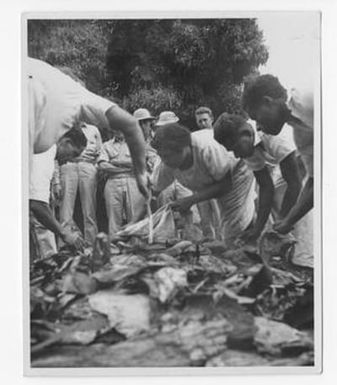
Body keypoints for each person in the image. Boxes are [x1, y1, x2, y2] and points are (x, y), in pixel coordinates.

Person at [27, 57, 150, 198]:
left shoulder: (38, 68)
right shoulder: (75, 92)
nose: (67, 160)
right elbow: (130, 124)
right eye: (71, 154)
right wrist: (141, 174)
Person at [151, 123, 256, 245]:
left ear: (184, 148)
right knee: (216, 226)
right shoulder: (166, 161)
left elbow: (225, 185)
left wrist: (190, 200)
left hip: (234, 173)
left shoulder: (207, 149)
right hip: (210, 178)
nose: (165, 160)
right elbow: (153, 190)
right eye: (161, 156)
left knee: (234, 227)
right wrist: (138, 222)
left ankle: (246, 249)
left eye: (167, 156)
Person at [213, 113, 302, 243]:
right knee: (277, 203)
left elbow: (295, 182)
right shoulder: (247, 146)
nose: (237, 155)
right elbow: (266, 187)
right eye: (232, 151)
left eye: (236, 148)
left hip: (312, 160)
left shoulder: (274, 136)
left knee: (300, 221)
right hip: (292, 167)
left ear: (246, 133)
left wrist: (283, 221)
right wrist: (257, 229)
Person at [242, 75, 314, 234]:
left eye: (257, 118)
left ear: (267, 102)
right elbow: (314, 182)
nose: (258, 128)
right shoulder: (301, 135)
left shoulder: (308, 97)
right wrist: (287, 221)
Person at [30, 128, 88, 253]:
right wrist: (64, 234)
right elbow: (37, 204)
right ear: (66, 142)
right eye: (74, 154)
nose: (70, 160)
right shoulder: (45, 153)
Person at [97, 130, 148, 240]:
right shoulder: (106, 145)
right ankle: (115, 248)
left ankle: (135, 247)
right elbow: (103, 165)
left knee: (134, 216)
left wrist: (115, 162)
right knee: (113, 218)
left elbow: (139, 163)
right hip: (113, 181)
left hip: (133, 181)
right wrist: (126, 167)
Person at [59, 121, 102, 245]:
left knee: (89, 209)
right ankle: (65, 246)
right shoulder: (65, 127)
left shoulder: (93, 129)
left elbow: (100, 153)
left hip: (87, 166)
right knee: (66, 209)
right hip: (68, 165)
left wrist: (94, 164)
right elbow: (57, 152)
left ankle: (92, 244)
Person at [194, 107, 222, 240]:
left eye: (205, 120)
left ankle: (223, 244)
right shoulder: (196, 138)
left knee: (220, 217)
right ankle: (210, 247)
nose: (203, 124)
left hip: (217, 182)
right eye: (199, 121)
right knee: (205, 219)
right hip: (201, 184)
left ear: (212, 119)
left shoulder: (219, 135)